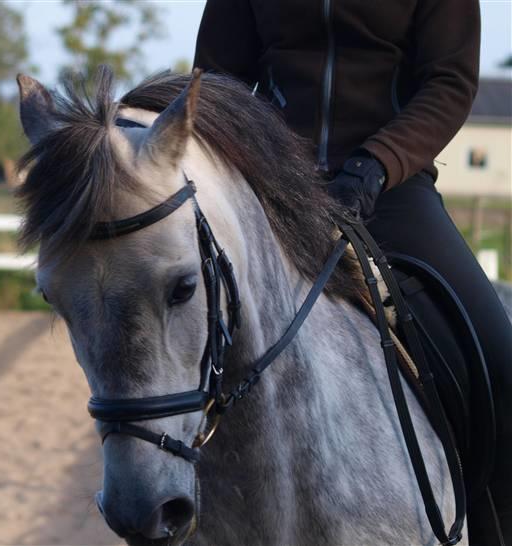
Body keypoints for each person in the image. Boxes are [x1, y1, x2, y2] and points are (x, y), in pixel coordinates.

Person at [193, 0, 512, 544]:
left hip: (388, 190)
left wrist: (377, 162)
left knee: (501, 362)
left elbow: (448, 82)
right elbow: (214, 82)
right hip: (269, 188)